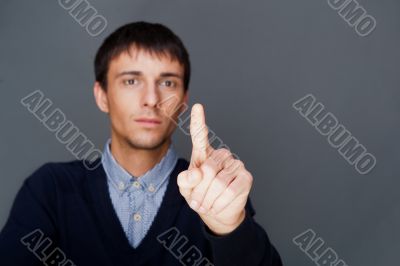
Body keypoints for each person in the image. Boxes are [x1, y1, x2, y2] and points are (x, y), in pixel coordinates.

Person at [0, 21, 282, 266]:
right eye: (131, 80)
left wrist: (229, 227)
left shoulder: (215, 190)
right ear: (102, 96)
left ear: (183, 101)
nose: (151, 98)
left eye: (168, 83)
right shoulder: (50, 189)